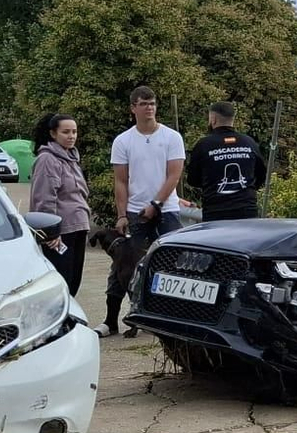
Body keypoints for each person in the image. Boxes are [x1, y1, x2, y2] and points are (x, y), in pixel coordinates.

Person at [105, 85, 185, 337]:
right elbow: (120, 180)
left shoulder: (172, 137)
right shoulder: (123, 140)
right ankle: (117, 318)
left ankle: (172, 315)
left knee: (173, 262)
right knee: (127, 266)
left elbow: (174, 175)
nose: (149, 108)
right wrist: (121, 214)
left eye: (152, 103)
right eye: (143, 103)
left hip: (167, 208)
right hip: (135, 210)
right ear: (133, 108)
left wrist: (157, 204)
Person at [29, 113, 90, 296]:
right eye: (66, 132)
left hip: (79, 226)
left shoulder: (71, 158)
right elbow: (44, 197)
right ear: (53, 134)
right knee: (61, 282)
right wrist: (50, 231)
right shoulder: (47, 159)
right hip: (61, 232)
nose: (71, 136)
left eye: (74, 132)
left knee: (73, 281)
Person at [186, 101, 267, 221]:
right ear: (232, 119)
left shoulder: (204, 145)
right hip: (246, 210)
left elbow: (192, 179)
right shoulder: (249, 143)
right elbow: (261, 175)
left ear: (213, 119)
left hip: (215, 211)